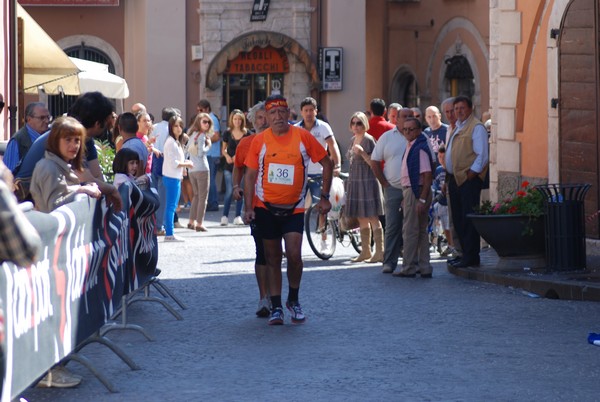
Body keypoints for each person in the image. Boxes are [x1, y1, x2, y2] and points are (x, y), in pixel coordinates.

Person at [243, 95, 333, 325]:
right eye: (273, 113)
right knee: (272, 258)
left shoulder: (302, 136)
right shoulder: (259, 141)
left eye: (282, 112)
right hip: (265, 207)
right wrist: (248, 207)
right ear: (267, 117)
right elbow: (250, 175)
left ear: (289, 114)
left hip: (294, 208)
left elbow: (327, 163)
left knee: (294, 256)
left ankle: (293, 300)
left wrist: (324, 197)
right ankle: (275, 306)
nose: (278, 117)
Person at [14, 92, 122, 211]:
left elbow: (93, 177)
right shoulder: (48, 166)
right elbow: (55, 203)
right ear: (97, 123)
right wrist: (103, 190)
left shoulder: (84, 140)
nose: (74, 145)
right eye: (68, 140)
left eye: (77, 140)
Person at [233, 101, 271, 317]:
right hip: (256, 204)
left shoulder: (281, 141)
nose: (263, 121)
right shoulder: (246, 143)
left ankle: (276, 297)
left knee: (277, 253)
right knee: (262, 250)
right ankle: (264, 298)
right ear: (253, 121)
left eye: (267, 117)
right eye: (259, 118)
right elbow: (238, 167)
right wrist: (237, 187)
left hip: (281, 204)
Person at [445, 95, 489, 268]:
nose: (458, 111)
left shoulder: (476, 127)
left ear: (470, 109)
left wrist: (470, 175)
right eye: (456, 109)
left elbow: (482, 156)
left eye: (462, 108)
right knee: (457, 219)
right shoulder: (458, 127)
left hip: (467, 180)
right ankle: (463, 253)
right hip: (455, 179)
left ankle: (471, 256)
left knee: (468, 219)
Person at [370, 108, 413, 274]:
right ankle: (389, 262)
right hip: (393, 188)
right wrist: (384, 184)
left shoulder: (418, 136)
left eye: (411, 116)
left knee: (411, 228)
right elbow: (375, 161)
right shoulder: (387, 137)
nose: (408, 119)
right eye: (405, 116)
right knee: (393, 226)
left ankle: (411, 262)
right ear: (397, 120)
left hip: (413, 189)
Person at [393, 117, 434, 278]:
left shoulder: (419, 148)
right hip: (412, 191)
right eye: (405, 129)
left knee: (410, 230)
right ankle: (424, 267)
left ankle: (409, 267)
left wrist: (422, 199)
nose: (407, 132)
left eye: (411, 129)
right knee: (421, 231)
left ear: (418, 131)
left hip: (416, 191)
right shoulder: (414, 145)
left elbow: (427, 175)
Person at [344, 112, 384, 263]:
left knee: (372, 216)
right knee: (361, 216)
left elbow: (374, 163)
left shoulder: (369, 140)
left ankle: (380, 252)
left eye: (359, 123)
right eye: (353, 123)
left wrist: (363, 153)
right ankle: (366, 251)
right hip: (355, 181)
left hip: (368, 180)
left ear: (364, 124)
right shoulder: (352, 140)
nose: (355, 126)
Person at [294, 97, 341, 204]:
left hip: (319, 174)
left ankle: (320, 222)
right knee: (298, 205)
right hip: (301, 174)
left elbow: (333, 146)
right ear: (301, 112)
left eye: (311, 110)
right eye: (306, 110)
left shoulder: (324, 127)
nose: (308, 113)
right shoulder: (296, 129)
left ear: (316, 111)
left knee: (319, 206)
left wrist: (337, 165)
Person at [162, 116, 193, 242]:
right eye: (176, 126)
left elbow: (176, 161)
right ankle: (169, 233)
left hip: (174, 176)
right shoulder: (171, 142)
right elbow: (173, 162)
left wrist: (184, 165)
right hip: (171, 177)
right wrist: (187, 164)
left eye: (180, 125)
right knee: (171, 206)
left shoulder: (176, 141)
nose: (179, 128)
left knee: (171, 206)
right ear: (171, 127)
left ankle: (169, 232)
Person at [151, 107, 180, 235]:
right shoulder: (170, 129)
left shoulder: (154, 126)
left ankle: (156, 224)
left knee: (155, 193)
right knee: (165, 196)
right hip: (166, 161)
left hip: (154, 160)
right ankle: (159, 225)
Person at [221, 109, 249, 226]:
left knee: (240, 191)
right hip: (229, 166)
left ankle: (237, 216)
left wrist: (239, 156)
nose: (237, 121)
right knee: (229, 191)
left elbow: (250, 149)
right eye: (235, 119)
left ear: (242, 120)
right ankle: (225, 216)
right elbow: (223, 149)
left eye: (239, 119)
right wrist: (227, 156)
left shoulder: (247, 133)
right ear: (232, 120)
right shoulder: (227, 133)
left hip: (242, 167)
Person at [4, 102, 51, 172]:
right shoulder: (18, 140)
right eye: (42, 118)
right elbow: (8, 173)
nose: (47, 121)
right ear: (29, 119)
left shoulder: (51, 136)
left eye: (48, 117)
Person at [185, 113, 212, 232]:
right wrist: (209, 145)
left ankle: (191, 221)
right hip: (202, 168)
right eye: (204, 122)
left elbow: (186, 152)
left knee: (196, 196)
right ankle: (200, 223)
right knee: (203, 197)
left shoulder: (192, 134)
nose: (207, 124)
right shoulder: (201, 136)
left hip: (192, 169)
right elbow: (201, 153)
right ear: (199, 122)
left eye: (208, 122)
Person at [197, 99, 222, 211]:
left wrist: (204, 141)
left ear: (207, 109)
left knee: (210, 179)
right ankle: (210, 202)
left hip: (212, 154)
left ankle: (213, 203)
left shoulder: (212, 119)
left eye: (201, 110)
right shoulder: (206, 119)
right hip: (208, 153)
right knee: (207, 179)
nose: (199, 112)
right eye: (198, 110)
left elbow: (216, 136)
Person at [431, 145, 455, 256]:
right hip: (440, 201)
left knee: (451, 225)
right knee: (444, 225)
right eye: (439, 157)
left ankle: (453, 245)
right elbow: (435, 184)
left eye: (443, 157)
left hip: (449, 201)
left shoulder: (451, 170)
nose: (441, 160)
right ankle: (449, 244)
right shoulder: (438, 170)